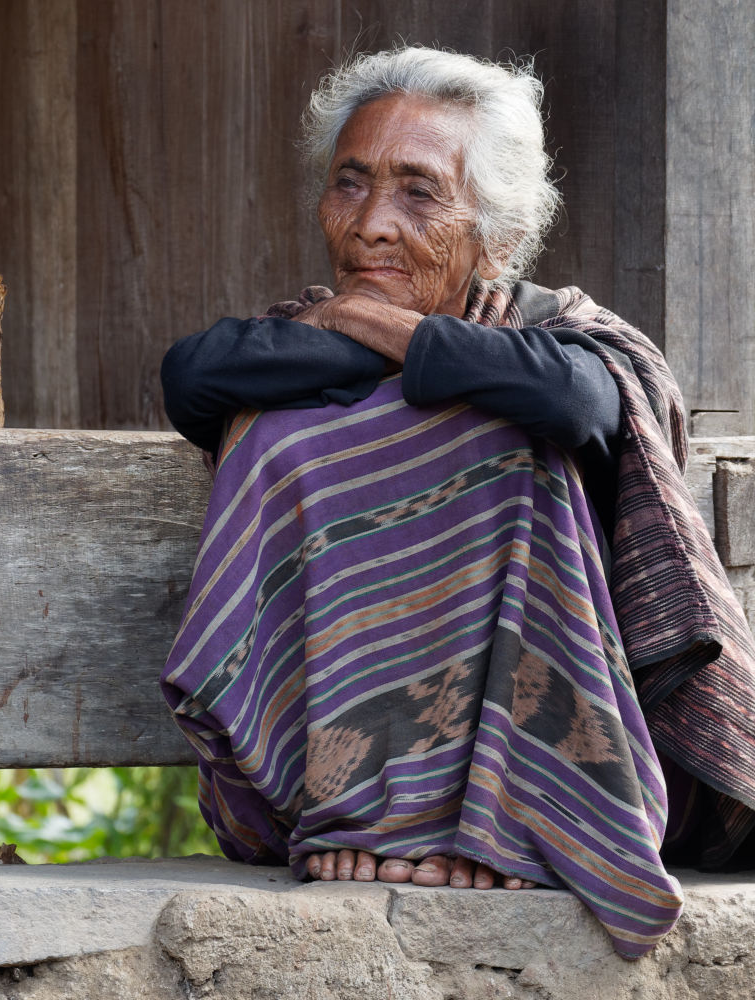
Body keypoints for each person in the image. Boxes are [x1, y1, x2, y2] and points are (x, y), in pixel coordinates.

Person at [159, 45, 755, 959]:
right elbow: (191, 378)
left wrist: (368, 323)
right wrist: (392, 340)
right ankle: (381, 818)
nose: (370, 227)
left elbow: (579, 405)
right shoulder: (289, 344)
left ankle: (508, 816)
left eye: (418, 193)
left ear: (502, 235)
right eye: (350, 184)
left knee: (509, 439)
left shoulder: (570, 341)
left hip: (559, 790)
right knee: (274, 433)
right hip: (334, 805)